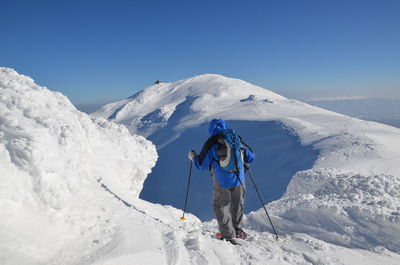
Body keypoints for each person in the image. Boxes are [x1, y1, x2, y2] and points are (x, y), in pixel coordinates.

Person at [188, 119, 255, 244]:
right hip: (239, 178)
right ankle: (237, 229)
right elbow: (251, 157)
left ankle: (228, 235)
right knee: (237, 202)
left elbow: (201, 165)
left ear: (210, 129)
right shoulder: (236, 138)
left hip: (222, 180)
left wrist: (193, 157)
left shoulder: (211, 143)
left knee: (221, 205)